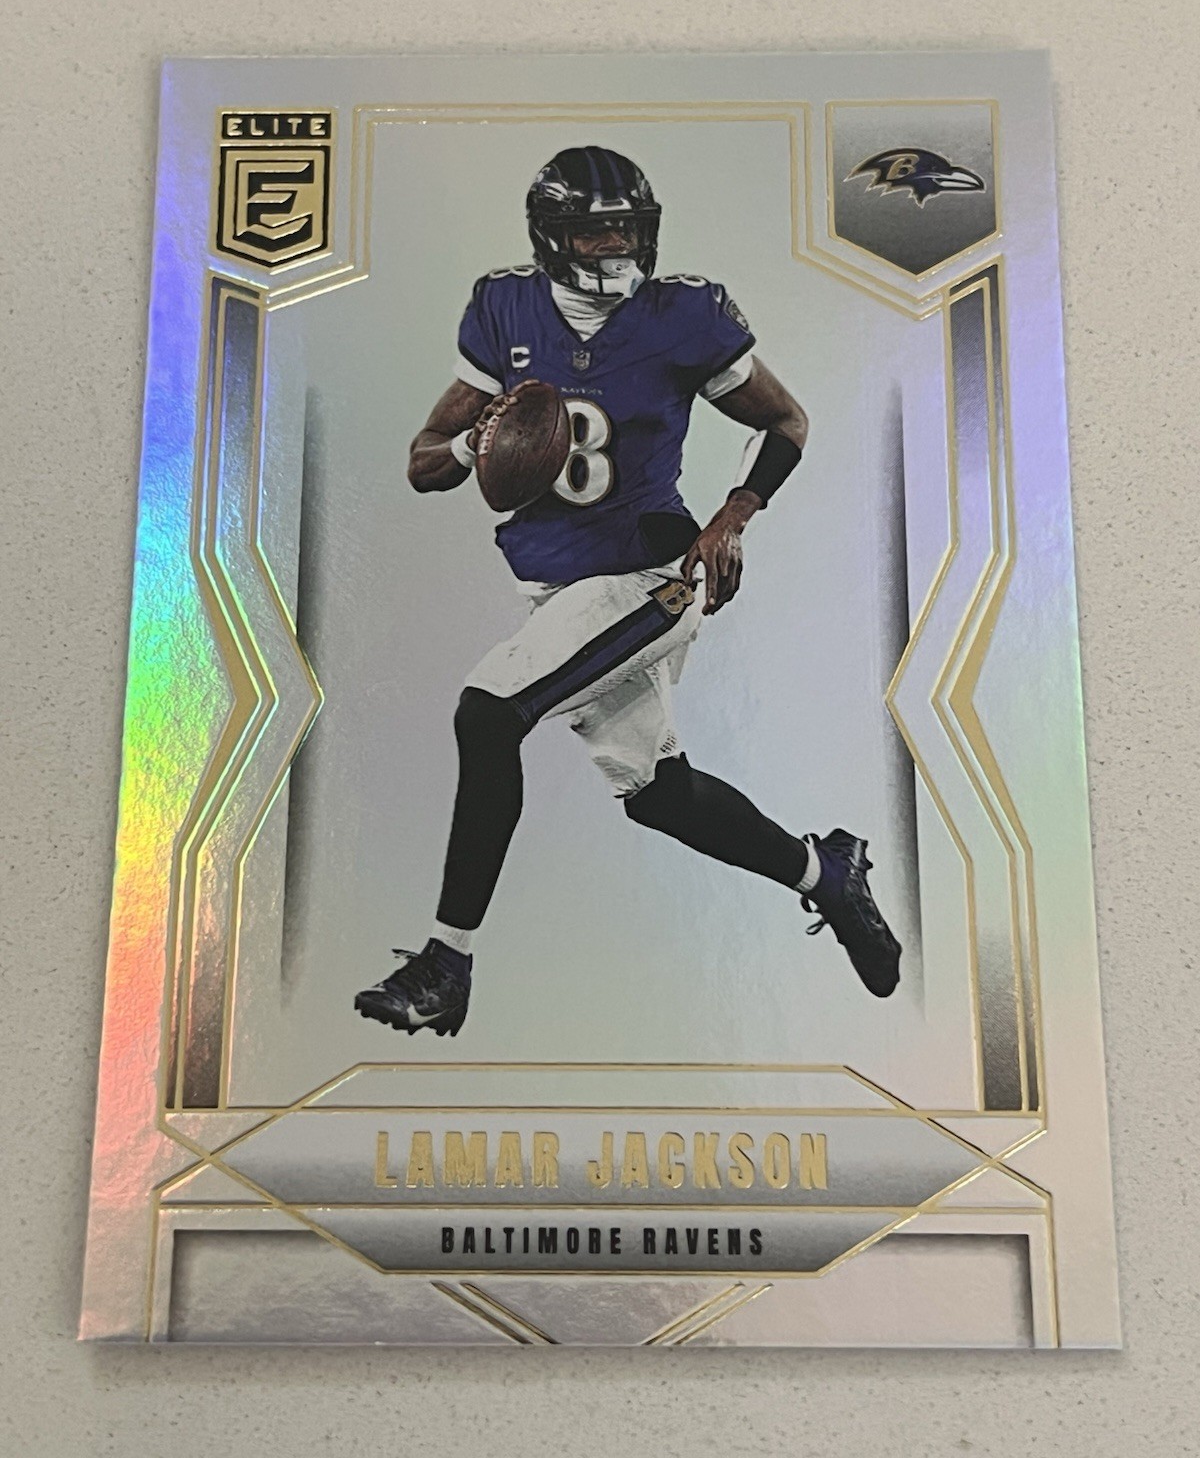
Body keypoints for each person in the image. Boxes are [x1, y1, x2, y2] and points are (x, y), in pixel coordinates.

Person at [355, 146, 900, 1037]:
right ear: (551, 236)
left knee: (489, 715)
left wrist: (734, 516)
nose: (614, 245)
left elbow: (784, 420)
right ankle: (824, 872)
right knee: (658, 793)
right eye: (593, 230)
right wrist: (473, 443)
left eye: (626, 228)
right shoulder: (506, 307)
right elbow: (424, 464)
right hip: (555, 589)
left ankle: (446, 963)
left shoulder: (683, 314)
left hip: (651, 575)